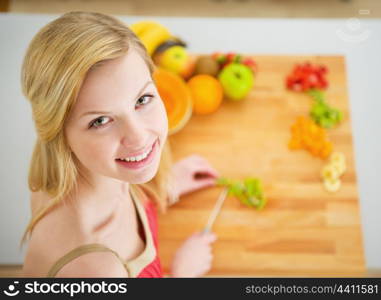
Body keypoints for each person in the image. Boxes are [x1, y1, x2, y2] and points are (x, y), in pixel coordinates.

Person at [20, 11, 220, 278]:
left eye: (142, 100)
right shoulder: (97, 271)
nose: (139, 137)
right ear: (59, 132)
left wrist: (164, 186)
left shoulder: (84, 170)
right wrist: (181, 275)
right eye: (101, 120)